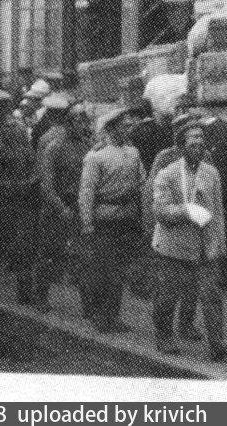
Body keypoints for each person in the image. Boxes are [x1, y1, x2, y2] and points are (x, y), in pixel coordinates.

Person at [150, 117, 227, 361]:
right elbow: (160, 212)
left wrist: (219, 243)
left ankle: (217, 344)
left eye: (202, 142)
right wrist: (186, 210)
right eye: (193, 142)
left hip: (204, 245)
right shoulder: (167, 174)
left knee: (211, 293)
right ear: (181, 146)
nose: (198, 147)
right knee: (168, 295)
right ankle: (164, 335)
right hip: (173, 246)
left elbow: (218, 211)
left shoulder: (211, 173)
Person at [78, 106, 144, 333]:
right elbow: (87, 192)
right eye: (123, 125)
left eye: (128, 125)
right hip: (105, 220)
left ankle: (112, 315)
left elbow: (141, 183)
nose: (128, 128)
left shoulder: (133, 153)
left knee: (119, 272)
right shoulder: (95, 156)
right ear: (112, 128)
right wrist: (87, 224)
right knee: (105, 270)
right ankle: (100, 314)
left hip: (127, 219)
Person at [0, 90, 40, 303]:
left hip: (19, 201)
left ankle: (24, 294)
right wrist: (7, 185)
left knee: (22, 246)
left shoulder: (24, 149)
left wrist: (29, 182)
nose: (15, 133)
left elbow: (34, 169)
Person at [33, 100, 91, 313]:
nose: (82, 125)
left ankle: (88, 305)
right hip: (56, 207)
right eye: (78, 121)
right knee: (49, 254)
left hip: (79, 206)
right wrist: (60, 208)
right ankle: (40, 296)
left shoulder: (87, 146)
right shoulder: (53, 148)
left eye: (84, 121)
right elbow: (46, 185)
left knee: (84, 257)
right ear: (68, 123)